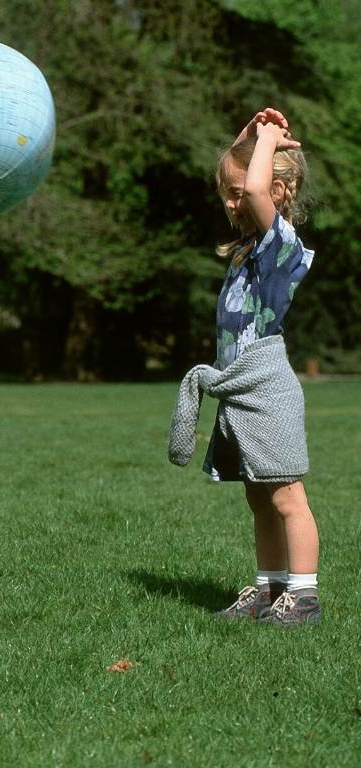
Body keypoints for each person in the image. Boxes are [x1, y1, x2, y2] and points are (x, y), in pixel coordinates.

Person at [168, 107, 320, 627]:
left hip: (266, 388)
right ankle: (270, 587)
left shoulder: (281, 244)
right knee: (259, 496)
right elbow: (237, 176)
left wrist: (271, 140)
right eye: (227, 193)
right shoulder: (249, 246)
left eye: (243, 192)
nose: (233, 201)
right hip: (239, 389)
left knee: (287, 496)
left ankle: (303, 597)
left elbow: (253, 189)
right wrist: (251, 137)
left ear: (278, 191)